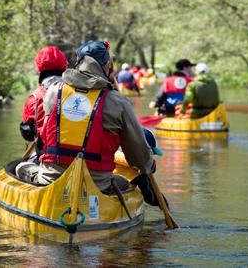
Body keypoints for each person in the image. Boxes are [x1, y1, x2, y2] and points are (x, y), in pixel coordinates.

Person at [17, 40, 156, 197]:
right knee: (126, 182)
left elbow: (44, 137)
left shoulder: (54, 91)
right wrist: (149, 165)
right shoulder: (118, 101)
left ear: (77, 63)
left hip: (51, 178)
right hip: (98, 185)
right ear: (106, 65)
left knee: (19, 168)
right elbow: (139, 158)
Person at [19, 46, 68, 143]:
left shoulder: (34, 99)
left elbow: (28, 135)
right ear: (64, 65)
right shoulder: (76, 93)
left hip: (45, 151)